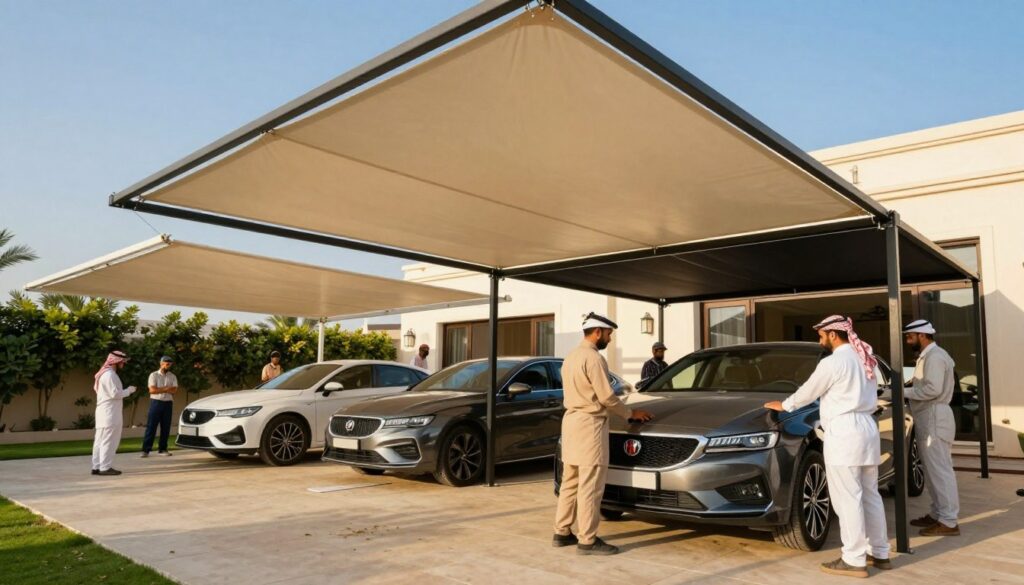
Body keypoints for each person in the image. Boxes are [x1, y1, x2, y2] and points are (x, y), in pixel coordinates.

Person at [764, 315, 890, 578]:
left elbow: (809, 391)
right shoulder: (865, 358)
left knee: (848, 498)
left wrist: (785, 405)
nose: (819, 338)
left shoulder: (834, 362)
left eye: (821, 334)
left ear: (833, 334)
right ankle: (879, 552)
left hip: (845, 431)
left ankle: (854, 559)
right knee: (870, 495)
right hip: (867, 428)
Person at [553, 312, 654, 556]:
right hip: (590, 426)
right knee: (590, 486)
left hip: (571, 423)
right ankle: (587, 540)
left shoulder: (570, 357)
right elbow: (606, 397)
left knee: (570, 482)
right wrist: (630, 413)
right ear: (597, 332)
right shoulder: (593, 358)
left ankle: (562, 531)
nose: (609, 339)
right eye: (608, 334)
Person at [903, 319, 961, 536]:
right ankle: (938, 514)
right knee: (932, 470)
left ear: (922, 335)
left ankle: (948, 521)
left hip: (935, 416)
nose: (908, 341)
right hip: (930, 417)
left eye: (910, 337)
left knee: (941, 471)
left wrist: (902, 392)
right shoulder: (929, 356)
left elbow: (932, 390)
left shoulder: (935, 357)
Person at [92, 350, 136, 476]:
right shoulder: (109, 375)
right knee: (109, 440)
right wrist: (129, 390)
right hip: (110, 414)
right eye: (122, 361)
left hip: (104, 412)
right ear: (116, 362)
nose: (123, 364)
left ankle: (97, 466)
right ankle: (105, 467)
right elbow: (115, 394)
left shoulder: (105, 374)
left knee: (100, 440)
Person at [141, 356, 178, 458]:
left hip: (168, 404)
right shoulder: (153, 375)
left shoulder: (173, 376)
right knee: (151, 427)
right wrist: (167, 389)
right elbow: (152, 390)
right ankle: (146, 450)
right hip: (156, 403)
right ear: (161, 363)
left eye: (170, 364)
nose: (169, 366)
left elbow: (174, 391)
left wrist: (160, 389)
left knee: (165, 427)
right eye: (167, 364)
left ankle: (162, 449)